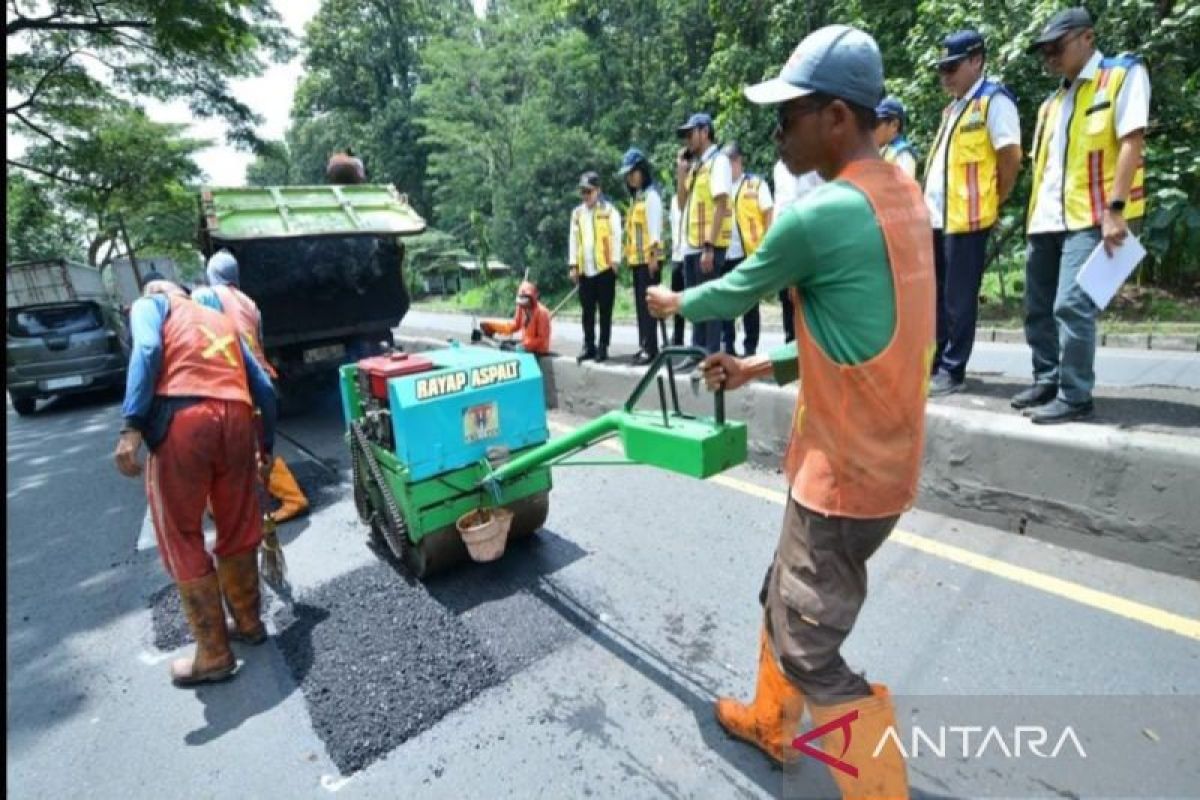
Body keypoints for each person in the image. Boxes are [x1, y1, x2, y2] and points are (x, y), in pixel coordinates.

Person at [648, 24, 933, 797]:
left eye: (790, 114)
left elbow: (735, 288)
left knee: (810, 647)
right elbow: (858, 336)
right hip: (884, 460)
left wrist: (674, 299)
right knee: (784, 595)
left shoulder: (822, 213)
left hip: (843, 479)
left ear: (836, 116)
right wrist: (753, 366)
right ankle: (770, 722)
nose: (777, 132)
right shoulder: (905, 196)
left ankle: (879, 783)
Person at [113, 279, 278, 687]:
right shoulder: (219, 320)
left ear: (156, 288)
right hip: (237, 421)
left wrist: (132, 426)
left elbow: (148, 350)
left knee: (180, 533)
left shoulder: (152, 305)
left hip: (183, 421)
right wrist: (266, 445)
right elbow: (264, 388)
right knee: (239, 524)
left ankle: (214, 654)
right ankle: (249, 622)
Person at [1015, 7, 1150, 423]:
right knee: (1036, 307)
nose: (1050, 56)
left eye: (1058, 45)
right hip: (1048, 219)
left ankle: (1075, 394)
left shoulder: (1122, 76)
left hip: (1093, 217)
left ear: (1087, 38)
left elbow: (1131, 142)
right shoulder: (1052, 103)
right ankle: (1048, 377)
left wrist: (1116, 210)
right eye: (1044, 50)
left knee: (1071, 305)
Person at [924, 29, 1022, 396]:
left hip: (968, 218)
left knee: (958, 299)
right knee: (935, 297)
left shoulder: (993, 102)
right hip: (937, 218)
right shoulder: (954, 108)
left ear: (976, 60)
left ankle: (953, 369)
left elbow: (1010, 157)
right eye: (942, 69)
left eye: (952, 67)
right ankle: (934, 363)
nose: (945, 76)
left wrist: (994, 201)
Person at [193, 250, 310, 524]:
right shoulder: (250, 303)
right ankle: (223, 504)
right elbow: (258, 341)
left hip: (234, 378)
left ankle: (292, 499)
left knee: (234, 444)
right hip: (256, 376)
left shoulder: (207, 298)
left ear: (213, 276)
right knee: (249, 441)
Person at [676, 112, 733, 367]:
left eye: (691, 133)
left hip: (708, 246)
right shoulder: (697, 167)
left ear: (705, 132)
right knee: (695, 303)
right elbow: (681, 203)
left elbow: (721, 204)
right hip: (691, 245)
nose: (687, 139)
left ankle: (710, 355)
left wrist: (709, 246)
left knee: (709, 303)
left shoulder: (718, 162)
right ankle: (695, 352)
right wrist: (681, 173)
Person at [721, 142, 774, 356]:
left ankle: (750, 348)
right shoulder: (721, 187)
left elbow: (769, 214)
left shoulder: (756, 184)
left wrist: (768, 247)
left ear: (738, 161)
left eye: (728, 164)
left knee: (750, 304)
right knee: (726, 301)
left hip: (750, 253)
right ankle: (728, 345)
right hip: (725, 253)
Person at [567, 171, 622, 363]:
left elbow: (616, 237)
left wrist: (615, 262)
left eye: (589, 191)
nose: (585, 196)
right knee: (587, 311)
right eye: (583, 192)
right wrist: (573, 265)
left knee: (605, 310)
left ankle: (603, 346)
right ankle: (588, 345)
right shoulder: (577, 213)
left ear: (598, 190)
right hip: (585, 269)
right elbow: (573, 240)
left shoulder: (610, 211)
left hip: (605, 268)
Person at [618, 148, 665, 364]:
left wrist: (653, 257)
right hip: (638, 261)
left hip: (649, 260)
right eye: (627, 174)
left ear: (642, 171)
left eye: (632, 172)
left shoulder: (651, 196)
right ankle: (644, 344)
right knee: (640, 306)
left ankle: (652, 348)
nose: (630, 178)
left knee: (649, 308)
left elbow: (654, 229)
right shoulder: (637, 198)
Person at [771, 161, 823, 343]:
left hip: (811, 235)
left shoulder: (817, 163)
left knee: (808, 292)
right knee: (787, 295)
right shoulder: (778, 168)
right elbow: (779, 202)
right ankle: (790, 340)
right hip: (786, 236)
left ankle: (811, 341)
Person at [478, 279, 552, 355]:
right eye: (521, 300)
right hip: (526, 345)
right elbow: (514, 325)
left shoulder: (542, 313)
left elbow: (542, 339)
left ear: (532, 298)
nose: (523, 306)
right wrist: (491, 326)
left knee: (511, 348)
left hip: (539, 351)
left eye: (525, 300)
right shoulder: (521, 308)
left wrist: (522, 346)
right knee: (503, 345)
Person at [874, 96, 918, 179]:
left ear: (894, 125)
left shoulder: (903, 154)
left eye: (877, 123)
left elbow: (905, 188)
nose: (873, 128)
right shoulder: (884, 150)